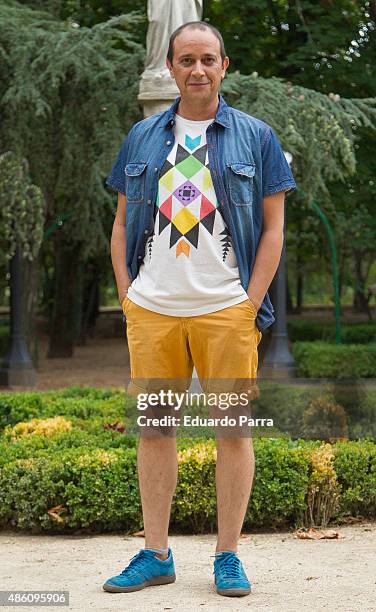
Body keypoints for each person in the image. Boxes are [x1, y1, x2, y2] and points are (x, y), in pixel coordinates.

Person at [103, 21, 296, 598]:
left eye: (207, 59)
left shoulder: (256, 137)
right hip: (153, 310)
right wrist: (127, 295)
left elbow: (273, 230)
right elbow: (119, 224)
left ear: (224, 64)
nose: (197, 70)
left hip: (225, 311)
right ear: (171, 66)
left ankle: (228, 555)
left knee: (232, 431)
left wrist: (250, 304)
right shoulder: (140, 137)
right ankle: (155, 554)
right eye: (186, 59)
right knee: (157, 429)